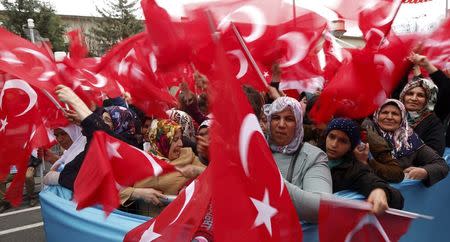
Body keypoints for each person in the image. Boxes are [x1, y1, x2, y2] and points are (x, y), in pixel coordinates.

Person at [51, 85, 140, 191]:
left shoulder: (129, 149)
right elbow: (67, 174)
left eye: (107, 120)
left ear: (121, 124)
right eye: (102, 120)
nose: (103, 123)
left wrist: (75, 101)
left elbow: (103, 132)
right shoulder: (97, 146)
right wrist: (83, 123)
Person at [264, 96, 332, 223]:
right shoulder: (255, 148)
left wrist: (272, 179)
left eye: (289, 119)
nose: (281, 125)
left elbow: (322, 207)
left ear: (298, 123)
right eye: (276, 118)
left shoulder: (313, 157)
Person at [119, 119, 206, 216]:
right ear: (162, 141)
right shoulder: (140, 161)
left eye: (180, 138)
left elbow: (213, 175)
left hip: (177, 223)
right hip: (145, 224)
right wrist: (138, 193)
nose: (181, 144)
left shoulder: (188, 156)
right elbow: (114, 190)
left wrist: (191, 185)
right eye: (175, 140)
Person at [322, 118, 404, 213]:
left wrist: (381, 192)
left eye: (343, 141)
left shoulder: (353, 170)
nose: (334, 144)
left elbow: (396, 197)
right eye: (332, 137)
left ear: (351, 146)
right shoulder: (310, 156)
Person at [367, 99, 448, 186]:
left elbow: (442, 165)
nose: (389, 117)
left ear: (403, 117)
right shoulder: (366, 134)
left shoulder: (410, 140)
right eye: (384, 113)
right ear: (377, 114)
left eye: (395, 114)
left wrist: (425, 171)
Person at [399, 77, 445, 155]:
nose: (413, 98)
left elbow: (435, 152)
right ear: (403, 95)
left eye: (420, 95)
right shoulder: (392, 115)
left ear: (428, 100)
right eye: (410, 94)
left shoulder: (433, 123)